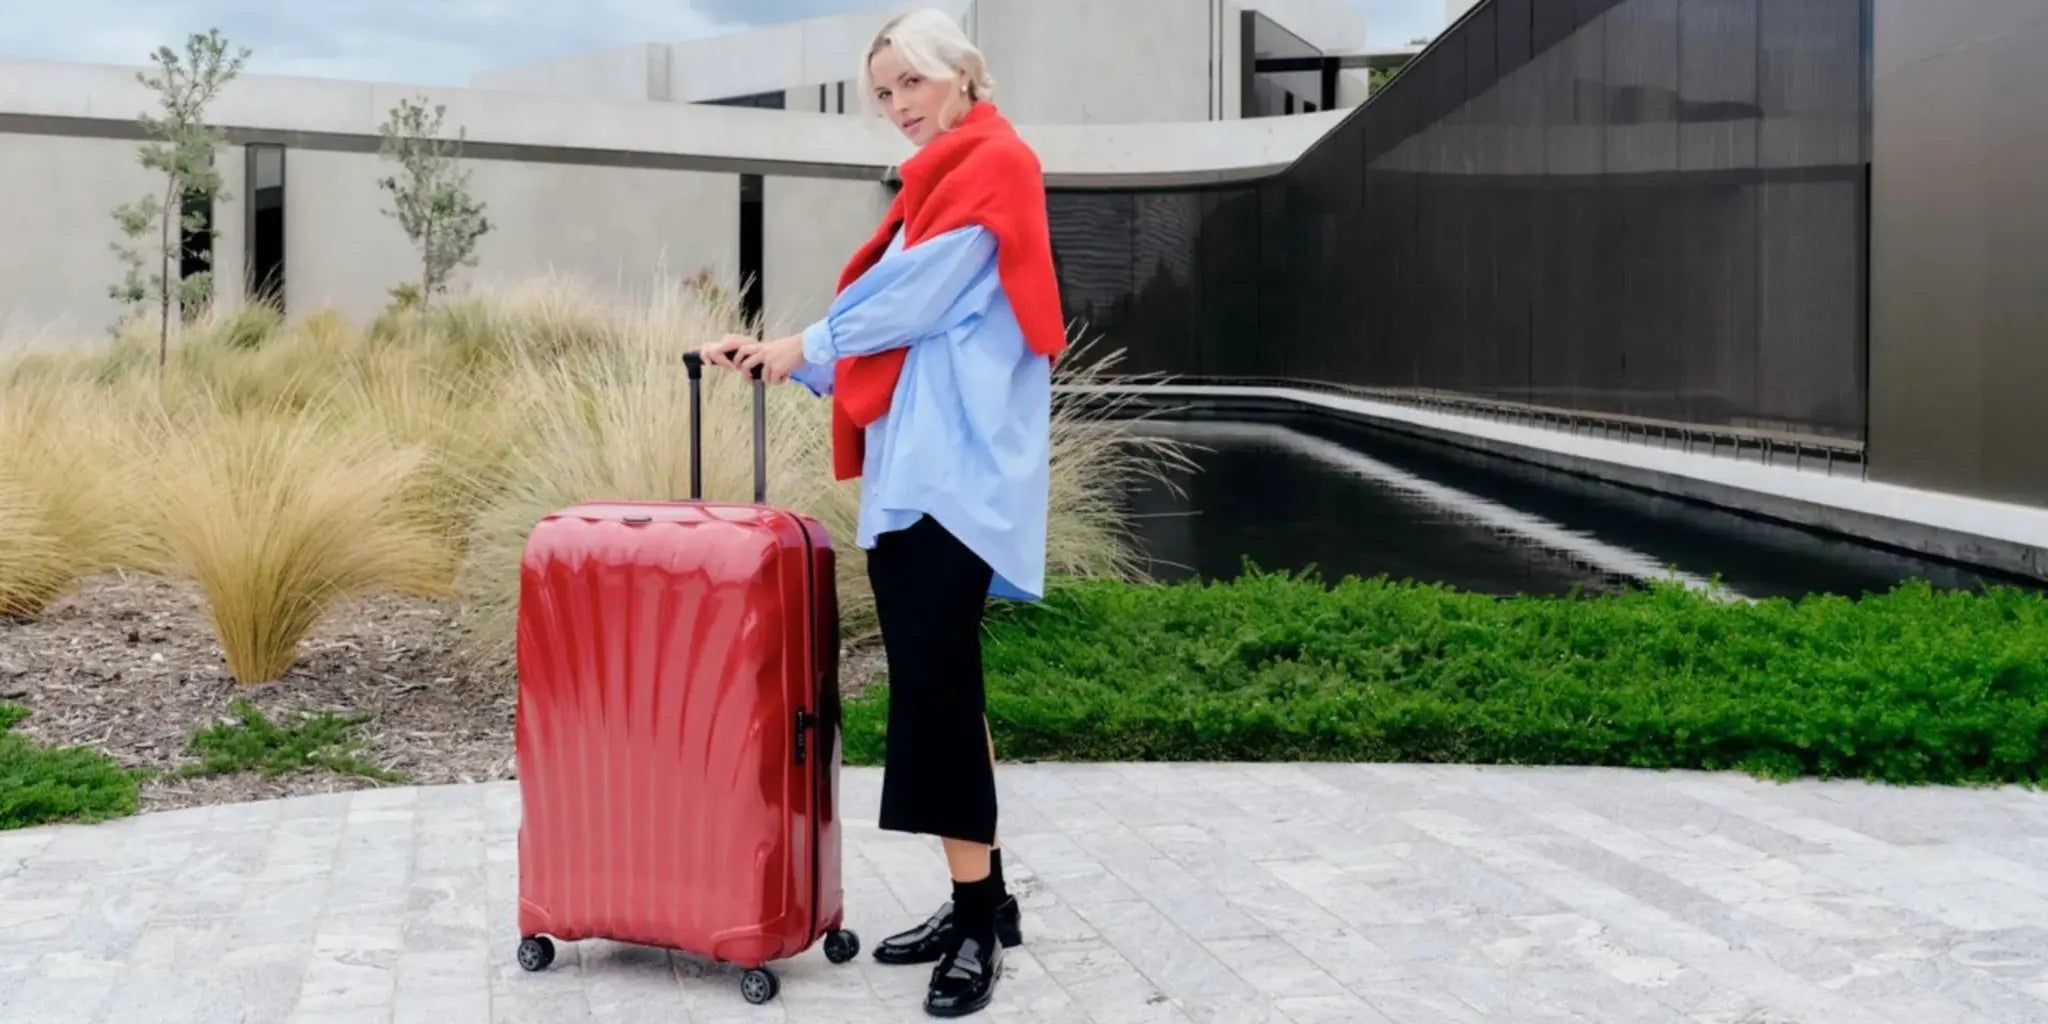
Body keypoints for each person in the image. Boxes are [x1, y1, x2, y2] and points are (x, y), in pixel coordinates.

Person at [698, 7, 1066, 1018]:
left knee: (937, 695)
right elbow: (908, 324)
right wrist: (795, 357)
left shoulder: (989, 168)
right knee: (948, 687)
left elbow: (911, 298)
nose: (897, 106)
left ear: (962, 73)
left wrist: (797, 347)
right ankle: (980, 903)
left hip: (952, 479)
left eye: (910, 82)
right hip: (928, 469)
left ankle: (978, 920)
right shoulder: (945, 177)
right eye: (883, 92)